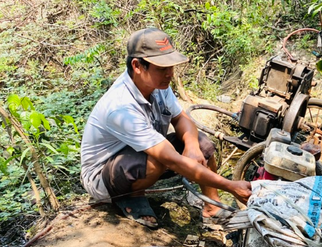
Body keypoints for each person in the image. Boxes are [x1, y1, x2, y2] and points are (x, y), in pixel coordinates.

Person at [80, 28, 251, 228]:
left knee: (202, 144)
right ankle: (130, 197)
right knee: (156, 161)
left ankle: (211, 207)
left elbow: (181, 119)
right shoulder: (120, 108)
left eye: (170, 66)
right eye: (162, 68)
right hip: (103, 176)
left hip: (141, 153)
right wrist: (231, 186)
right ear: (137, 66)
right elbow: (170, 158)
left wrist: (192, 147)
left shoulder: (157, 85)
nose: (169, 74)